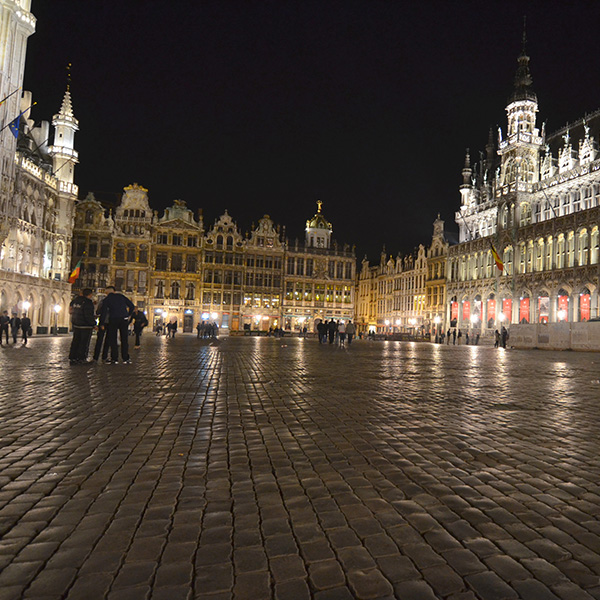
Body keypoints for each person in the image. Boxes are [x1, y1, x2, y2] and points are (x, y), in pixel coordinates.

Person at [100, 286, 135, 364]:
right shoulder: (121, 296)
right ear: (114, 291)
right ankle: (125, 358)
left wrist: (101, 323)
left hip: (113, 319)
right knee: (124, 339)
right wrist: (128, 315)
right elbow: (132, 306)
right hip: (123, 319)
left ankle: (114, 358)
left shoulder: (106, 299)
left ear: (106, 293)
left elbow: (104, 312)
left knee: (113, 339)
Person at [68, 288, 96, 364]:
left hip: (76, 324)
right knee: (84, 343)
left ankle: (73, 357)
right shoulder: (88, 302)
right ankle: (81, 358)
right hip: (85, 326)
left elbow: (70, 311)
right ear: (90, 295)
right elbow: (88, 315)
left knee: (75, 341)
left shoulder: (75, 301)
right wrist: (94, 324)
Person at [93, 297, 110, 362]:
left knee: (99, 340)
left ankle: (96, 357)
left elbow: (98, 312)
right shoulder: (114, 302)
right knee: (107, 341)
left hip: (102, 322)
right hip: (109, 323)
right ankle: (104, 356)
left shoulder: (102, 302)